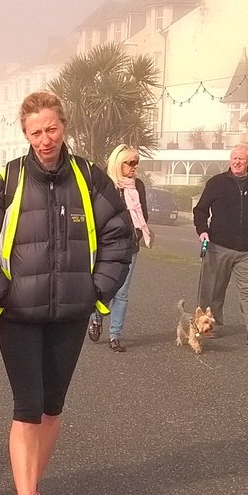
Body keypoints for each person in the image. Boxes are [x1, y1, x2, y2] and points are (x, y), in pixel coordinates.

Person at [0, 90, 133, 495]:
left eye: (52, 129)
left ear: (64, 127)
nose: (45, 139)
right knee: (27, 406)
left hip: (71, 315)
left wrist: (98, 289)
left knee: (52, 407)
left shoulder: (89, 178)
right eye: (36, 132)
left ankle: (33, 492)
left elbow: (121, 234)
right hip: (19, 314)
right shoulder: (8, 180)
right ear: (25, 134)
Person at [87, 144, 150, 352]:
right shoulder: (106, 185)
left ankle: (115, 335)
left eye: (136, 163)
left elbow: (144, 215)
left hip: (130, 246)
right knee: (102, 287)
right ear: (118, 164)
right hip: (106, 247)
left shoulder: (138, 186)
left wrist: (138, 232)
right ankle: (95, 318)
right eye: (130, 163)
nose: (134, 167)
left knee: (122, 293)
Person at [193, 143, 248, 341]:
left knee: (247, 291)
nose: (236, 161)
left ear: (247, 162)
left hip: (246, 251)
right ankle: (209, 327)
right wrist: (203, 231)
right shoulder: (217, 183)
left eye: (241, 158)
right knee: (213, 290)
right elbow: (200, 210)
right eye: (234, 158)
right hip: (218, 246)